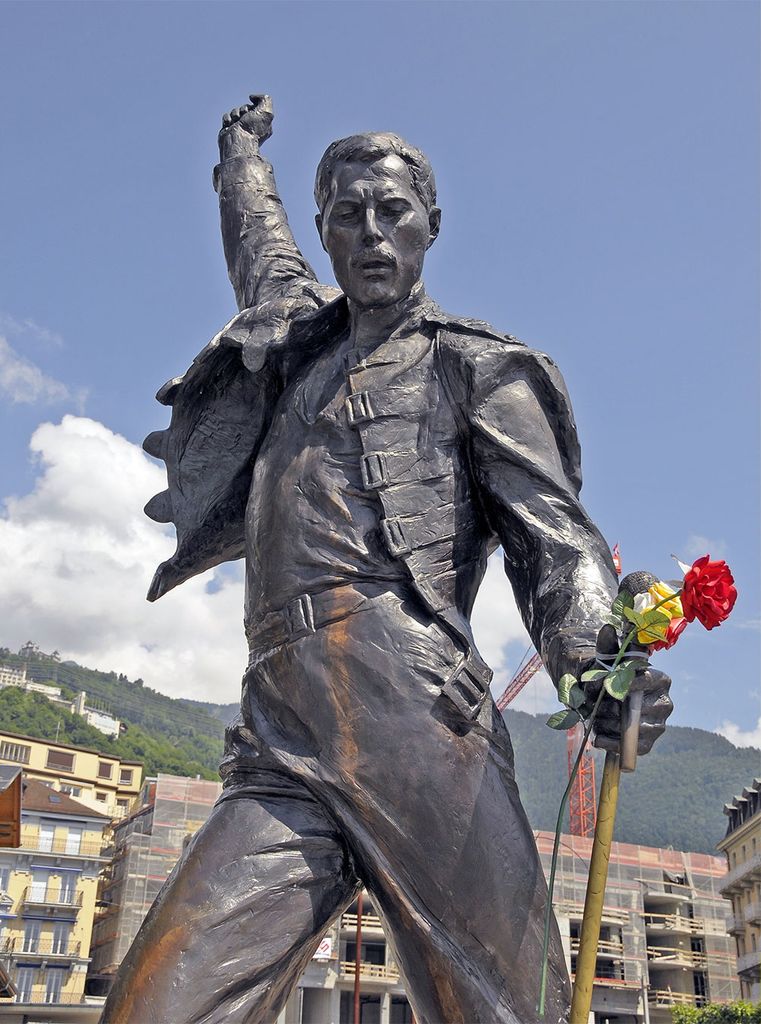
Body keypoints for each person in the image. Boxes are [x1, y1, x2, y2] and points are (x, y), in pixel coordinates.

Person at [101, 96, 673, 1024]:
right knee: (158, 1006)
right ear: (325, 231)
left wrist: (598, 661)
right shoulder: (293, 346)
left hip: (418, 726)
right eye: (347, 215)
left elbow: (554, 539)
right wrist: (240, 157)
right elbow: (258, 244)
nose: (371, 233)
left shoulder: (476, 367)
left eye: (392, 212)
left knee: (505, 1009)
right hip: (281, 733)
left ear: (430, 226)